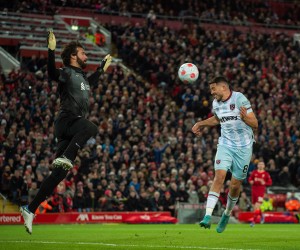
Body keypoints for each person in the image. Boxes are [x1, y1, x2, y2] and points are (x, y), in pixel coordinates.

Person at [20, 30, 112, 234]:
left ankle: (30, 208)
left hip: (70, 128)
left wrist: (101, 70)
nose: (86, 55)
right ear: (73, 56)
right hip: (67, 121)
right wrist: (51, 51)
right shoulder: (66, 72)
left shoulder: (81, 76)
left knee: (58, 175)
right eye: (83, 52)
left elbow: (90, 84)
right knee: (91, 127)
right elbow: (52, 74)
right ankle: (68, 157)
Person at [192, 76, 258, 233]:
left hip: (244, 147)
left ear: (223, 88)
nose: (212, 92)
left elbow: (255, 124)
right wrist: (200, 124)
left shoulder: (239, 98)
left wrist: (244, 117)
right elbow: (217, 119)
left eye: (213, 89)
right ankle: (207, 216)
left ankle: (226, 214)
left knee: (235, 185)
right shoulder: (216, 103)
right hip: (225, 145)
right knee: (219, 176)